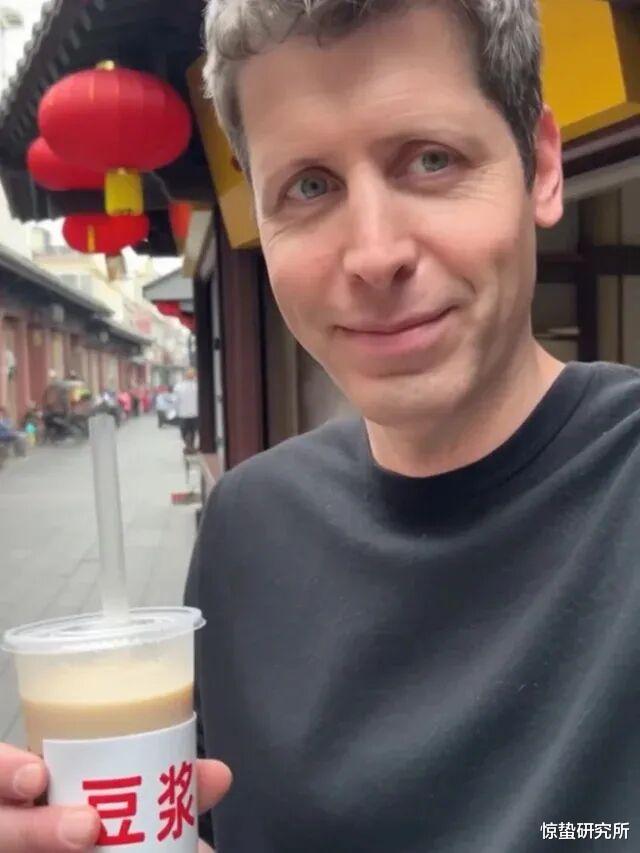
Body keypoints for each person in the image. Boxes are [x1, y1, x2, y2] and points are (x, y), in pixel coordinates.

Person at [1, 2, 638, 852]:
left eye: (431, 159)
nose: (373, 254)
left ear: (542, 168)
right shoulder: (247, 524)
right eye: (309, 186)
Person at [174, 368, 199, 453]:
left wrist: (176, 411)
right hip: (195, 413)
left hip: (183, 414)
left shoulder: (179, 386)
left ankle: (189, 446)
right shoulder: (197, 386)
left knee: (184, 432)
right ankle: (190, 446)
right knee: (192, 431)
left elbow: (176, 401)